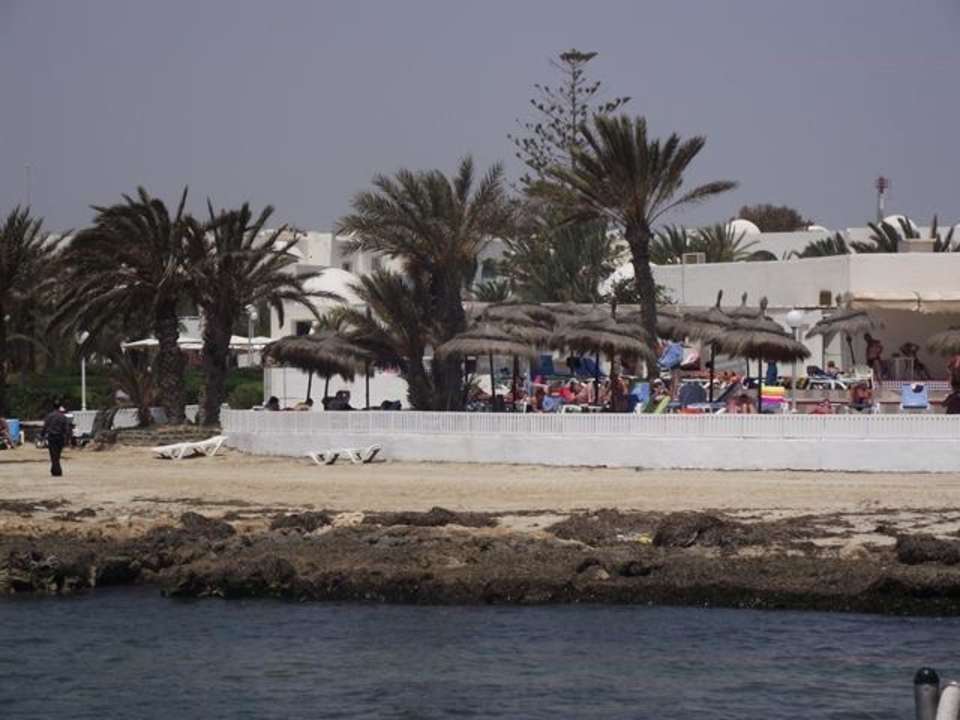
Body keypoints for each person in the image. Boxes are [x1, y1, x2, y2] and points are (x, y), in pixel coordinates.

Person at [41, 401, 71, 477]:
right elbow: (66, 428)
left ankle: (56, 470)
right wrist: (67, 438)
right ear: (59, 407)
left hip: (51, 437)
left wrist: (42, 435)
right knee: (57, 454)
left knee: (53, 454)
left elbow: (45, 426)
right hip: (60, 437)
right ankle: (56, 470)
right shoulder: (63, 417)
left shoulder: (49, 416)